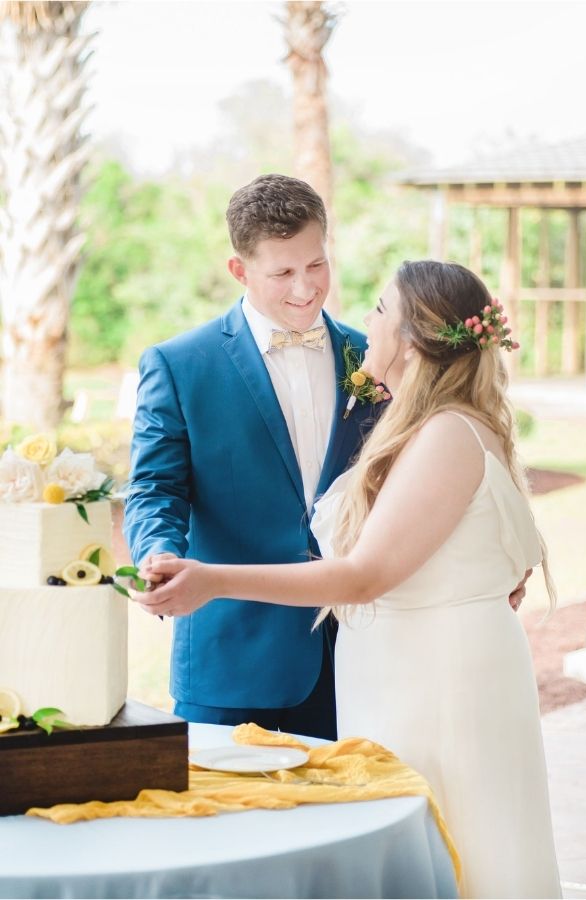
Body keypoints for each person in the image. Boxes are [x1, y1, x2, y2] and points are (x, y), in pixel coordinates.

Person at [131, 260, 560, 899]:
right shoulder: (432, 420)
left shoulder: (445, 432)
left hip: (437, 684)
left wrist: (213, 580)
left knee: (455, 851)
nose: (367, 321)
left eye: (382, 309)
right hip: (410, 673)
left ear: (413, 341)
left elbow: (363, 576)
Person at [123, 174, 375, 739]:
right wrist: (159, 555)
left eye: (316, 265)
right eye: (283, 273)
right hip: (230, 660)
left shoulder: (373, 355)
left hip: (361, 657)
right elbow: (153, 489)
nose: (306, 289)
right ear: (239, 270)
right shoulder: (179, 364)